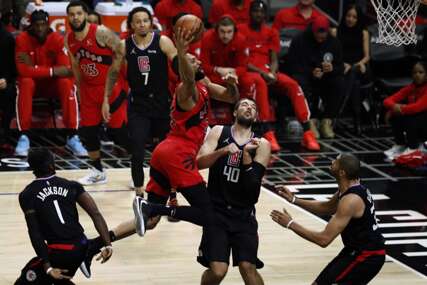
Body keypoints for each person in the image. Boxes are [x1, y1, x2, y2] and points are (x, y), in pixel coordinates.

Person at [77, 22, 240, 279]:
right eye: (191, 61)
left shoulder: (206, 85)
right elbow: (186, 75)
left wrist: (232, 84)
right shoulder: (187, 91)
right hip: (177, 155)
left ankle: (91, 246)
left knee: (148, 224)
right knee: (209, 214)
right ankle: (155, 209)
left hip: (165, 153)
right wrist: (182, 49)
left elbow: (231, 98)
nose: (196, 61)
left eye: (195, 59)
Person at [271, 153, 386, 284]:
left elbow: (323, 240)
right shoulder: (349, 188)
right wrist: (294, 199)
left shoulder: (351, 200)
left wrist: (290, 224)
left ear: (342, 173)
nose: (331, 162)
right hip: (353, 250)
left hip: (367, 255)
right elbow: (327, 207)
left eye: (335, 162)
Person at [102, 7, 177, 196]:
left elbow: (178, 64)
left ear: (151, 22)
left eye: (145, 20)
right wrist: (105, 99)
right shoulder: (123, 45)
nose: (142, 24)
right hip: (138, 105)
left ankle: (171, 191)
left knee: (167, 152)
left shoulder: (163, 41)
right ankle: (139, 193)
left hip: (161, 104)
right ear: (131, 25)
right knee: (136, 150)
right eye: (138, 21)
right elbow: (113, 72)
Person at [196, 98, 270, 285]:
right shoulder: (218, 131)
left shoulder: (262, 144)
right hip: (217, 212)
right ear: (235, 112)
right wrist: (222, 152)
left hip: (243, 214)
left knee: (248, 268)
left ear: (256, 116)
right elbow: (198, 163)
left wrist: (246, 156)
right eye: (245, 105)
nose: (249, 108)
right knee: (218, 271)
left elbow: (253, 189)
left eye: (254, 107)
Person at [15, 148, 112, 284]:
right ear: (51, 165)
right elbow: (95, 214)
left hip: (60, 251)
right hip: (82, 246)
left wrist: (48, 267)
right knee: (59, 280)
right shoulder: (72, 186)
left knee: (26, 279)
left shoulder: (27, 194)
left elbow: (34, 232)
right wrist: (108, 245)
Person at [239, 0, 320, 151]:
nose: (259, 14)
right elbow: (242, 61)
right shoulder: (241, 30)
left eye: (262, 11)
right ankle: (268, 133)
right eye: (256, 11)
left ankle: (308, 132)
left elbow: (274, 58)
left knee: (292, 84)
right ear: (250, 13)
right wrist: (263, 74)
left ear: (266, 14)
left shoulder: (271, 32)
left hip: (267, 71)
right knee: (260, 83)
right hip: (249, 72)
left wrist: (272, 73)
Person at [65, 1, 129, 185]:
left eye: (79, 13)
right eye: (72, 14)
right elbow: (76, 66)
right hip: (88, 90)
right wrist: (79, 91)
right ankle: (98, 171)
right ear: (68, 17)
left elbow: (120, 52)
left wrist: (111, 90)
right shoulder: (68, 38)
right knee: (89, 133)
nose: (75, 17)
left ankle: (137, 166)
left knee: (119, 134)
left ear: (85, 14)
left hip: (111, 87)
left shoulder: (100, 32)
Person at [14, 10, 87, 157]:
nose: (40, 28)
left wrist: (36, 69)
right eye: (36, 25)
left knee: (66, 83)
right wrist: (53, 71)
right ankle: (24, 136)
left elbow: (66, 69)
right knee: (25, 82)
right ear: (31, 26)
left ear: (48, 25)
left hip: (52, 86)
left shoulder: (58, 39)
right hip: (33, 85)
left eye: (43, 25)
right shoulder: (22, 39)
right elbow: (23, 70)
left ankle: (72, 136)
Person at [287, 16, 344, 139]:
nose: (320, 37)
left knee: (339, 82)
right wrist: (310, 72)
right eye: (318, 33)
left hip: (326, 77)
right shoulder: (300, 40)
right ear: (313, 30)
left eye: (323, 35)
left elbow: (340, 66)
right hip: (306, 76)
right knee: (300, 81)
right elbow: (292, 65)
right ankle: (310, 121)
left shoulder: (333, 42)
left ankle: (326, 121)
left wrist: (332, 68)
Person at [331, 4, 370, 135]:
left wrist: (359, 64)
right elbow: (334, 55)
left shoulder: (364, 33)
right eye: (348, 16)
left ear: (358, 19)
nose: (350, 19)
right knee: (355, 84)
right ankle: (357, 120)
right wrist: (343, 64)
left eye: (354, 17)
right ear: (344, 16)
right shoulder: (336, 31)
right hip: (342, 68)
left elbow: (367, 56)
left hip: (359, 68)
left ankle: (336, 115)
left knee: (354, 72)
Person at [383, 61, 427, 160]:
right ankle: (400, 145)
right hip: (419, 122)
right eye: (415, 73)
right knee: (396, 115)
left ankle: (413, 148)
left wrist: (399, 108)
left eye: (421, 72)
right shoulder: (411, 87)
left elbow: (417, 107)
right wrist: (394, 108)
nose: (417, 75)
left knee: (411, 115)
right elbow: (387, 101)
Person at [0, 15, 16, 152]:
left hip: (2, 80)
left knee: (9, 91)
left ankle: (4, 137)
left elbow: (11, 66)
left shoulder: (6, 38)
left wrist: (5, 78)